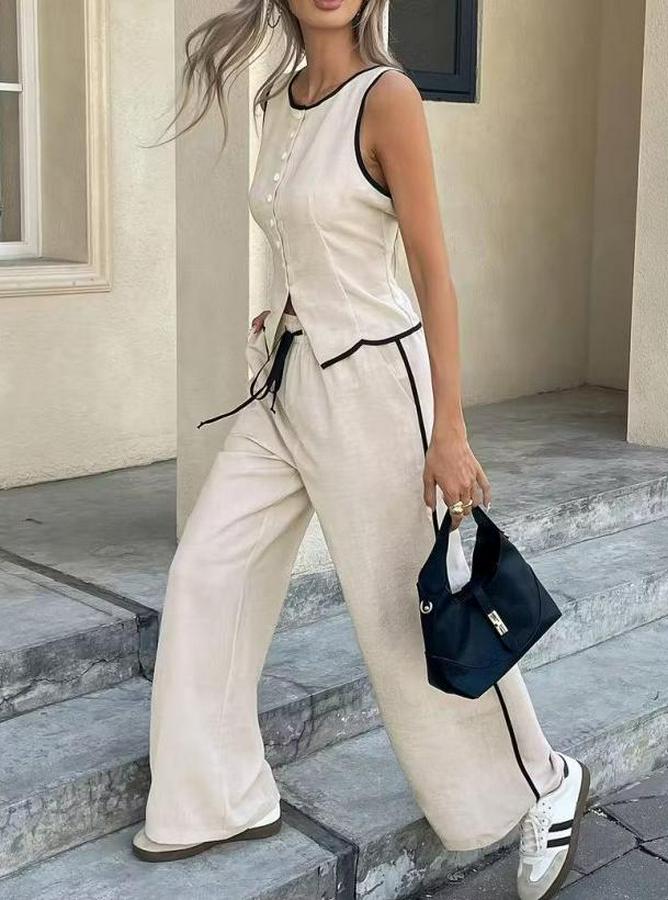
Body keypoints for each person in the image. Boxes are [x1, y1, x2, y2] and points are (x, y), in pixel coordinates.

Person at [132, 2, 590, 897]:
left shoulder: (389, 99)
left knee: (403, 613)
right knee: (208, 571)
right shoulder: (279, 96)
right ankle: (215, 796)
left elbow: (432, 269)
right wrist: (283, 311)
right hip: (285, 384)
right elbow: (298, 234)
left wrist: (449, 429)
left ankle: (543, 779)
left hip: (377, 390)